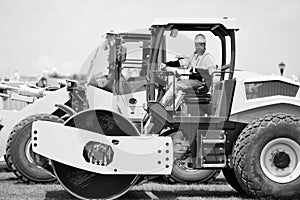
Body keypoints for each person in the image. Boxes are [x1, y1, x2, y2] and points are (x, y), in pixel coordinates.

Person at [160, 33, 216, 107]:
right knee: (172, 84)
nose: (198, 47)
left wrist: (214, 90)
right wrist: (166, 64)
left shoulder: (208, 57)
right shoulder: (194, 56)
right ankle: (171, 106)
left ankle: (162, 104)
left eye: (201, 45)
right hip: (195, 81)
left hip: (201, 83)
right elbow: (181, 62)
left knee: (176, 85)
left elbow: (214, 74)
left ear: (204, 45)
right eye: (197, 45)